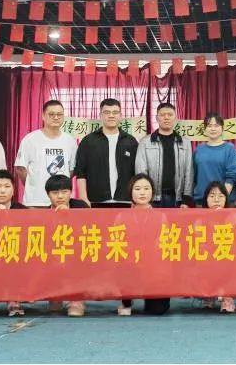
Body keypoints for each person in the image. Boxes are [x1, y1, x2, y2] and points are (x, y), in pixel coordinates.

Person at [118, 174, 170, 316]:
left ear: (152, 192)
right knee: (123, 268)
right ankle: (126, 301)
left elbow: (165, 244)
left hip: (154, 267)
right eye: (138, 189)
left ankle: (150, 296)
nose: (142, 193)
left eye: (146, 188)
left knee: (158, 310)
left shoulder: (161, 217)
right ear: (131, 192)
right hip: (130, 265)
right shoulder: (122, 216)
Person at [74, 98, 139, 205]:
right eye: (107, 112)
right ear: (100, 115)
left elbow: (136, 172)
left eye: (115, 112)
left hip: (125, 200)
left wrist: (135, 199)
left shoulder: (130, 141)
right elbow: (81, 172)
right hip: (94, 201)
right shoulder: (88, 141)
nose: (111, 115)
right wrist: (83, 198)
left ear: (120, 115)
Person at [15, 100, 78, 207]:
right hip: (35, 201)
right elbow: (20, 169)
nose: (56, 117)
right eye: (51, 114)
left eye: (59, 114)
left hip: (61, 202)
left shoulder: (70, 140)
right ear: (43, 116)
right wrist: (32, 185)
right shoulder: (30, 139)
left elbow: (72, 169)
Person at [0, 169, 27, 317]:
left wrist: (6, 217)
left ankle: (14, 298)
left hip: (17, 256)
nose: (2, 191)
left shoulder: (24, 212)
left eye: (7, 187)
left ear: (13, 190)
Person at [45, 174, 89, 317]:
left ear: (71, 192)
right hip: (55, 253)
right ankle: (56, 295)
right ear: (48, 195)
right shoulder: (43, 214)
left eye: (64, 192)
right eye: (55, 193)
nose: (60, 196)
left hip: (78, 250)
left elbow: (89, 230)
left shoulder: (81, 207)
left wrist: (69, 216)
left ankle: (76, 300)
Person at [134, 102, 193, 208]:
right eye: (162, 115)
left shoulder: (185, 143)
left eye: (170, 115)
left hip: (178, 199)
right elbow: (140, 172)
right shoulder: (145, 142)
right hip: (153, 198)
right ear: (157, 118)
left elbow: (189, 172)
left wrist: (186, 198)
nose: (166, 118)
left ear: (175, 118)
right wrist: (145, 197)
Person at [193, 113, 236, 207]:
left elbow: (232, 176)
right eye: (209, 126)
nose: (213, 129)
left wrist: (220, 199)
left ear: (222, 128)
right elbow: (193, 176)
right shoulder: (198, 149)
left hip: (224, 202)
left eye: (216, 125)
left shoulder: (229, 149)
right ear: (205, 129)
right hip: (201, 202)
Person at [201, 181, 235, 313]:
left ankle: (228, 297)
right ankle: (208, 295)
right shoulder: (198, 218)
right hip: (207, 256)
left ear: (226, 199)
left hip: (228, 255)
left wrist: (221, 218)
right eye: (212, 196)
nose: (216, 199)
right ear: (206, 199)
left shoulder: (234, 216)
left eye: (220, 196)